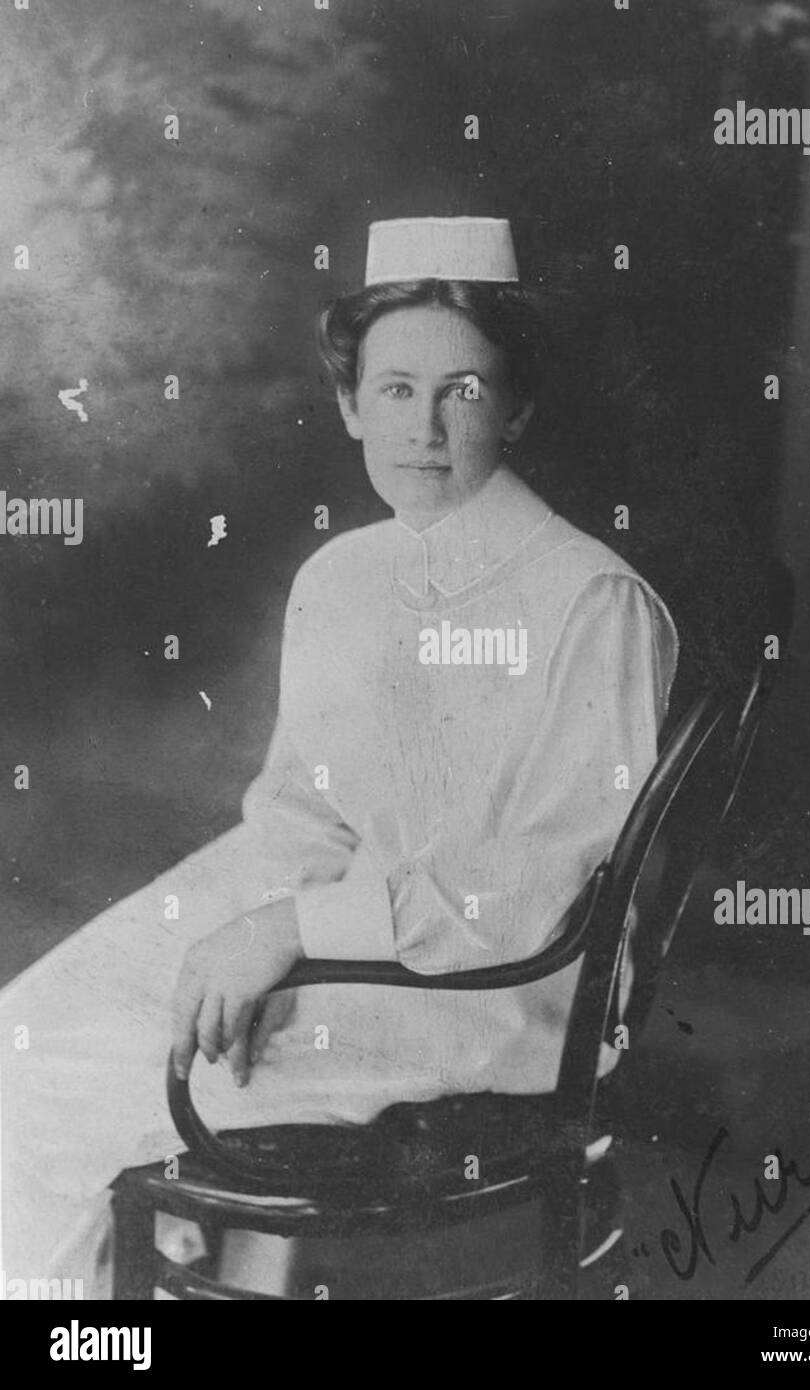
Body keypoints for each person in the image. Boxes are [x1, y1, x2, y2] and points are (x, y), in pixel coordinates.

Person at [0, 216, 677, 1296]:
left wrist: (291, 928)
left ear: (517, 405)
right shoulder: (343, 576)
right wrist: (197, 936)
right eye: (396, 389)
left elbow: (533, 892)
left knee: (34, 1097)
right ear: (350, 403)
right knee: (21, 1030)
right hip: (366, 948)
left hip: (496, 996)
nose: (427, 424)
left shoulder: (590, 601)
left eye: (464, 388)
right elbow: (298, 820)